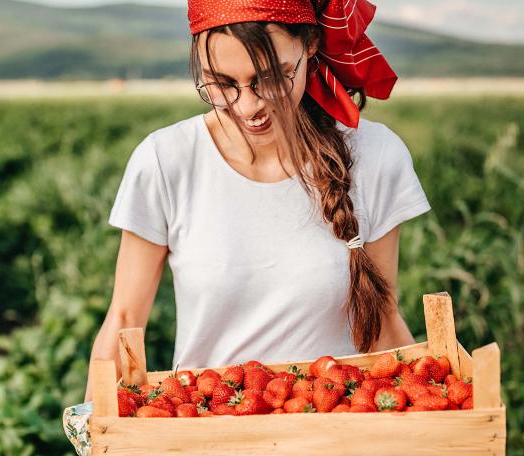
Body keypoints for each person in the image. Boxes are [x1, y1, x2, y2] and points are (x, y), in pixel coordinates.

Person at [64, 0, 431, 452]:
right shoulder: (166, 161)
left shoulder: (376, 157)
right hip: (205, 438)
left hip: (337, 438)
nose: (249, 106)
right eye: (222, 84)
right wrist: (92, 437)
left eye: (272, 78)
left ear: (311, 45)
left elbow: (381, 321)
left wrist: (436, 423)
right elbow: (123, 320)